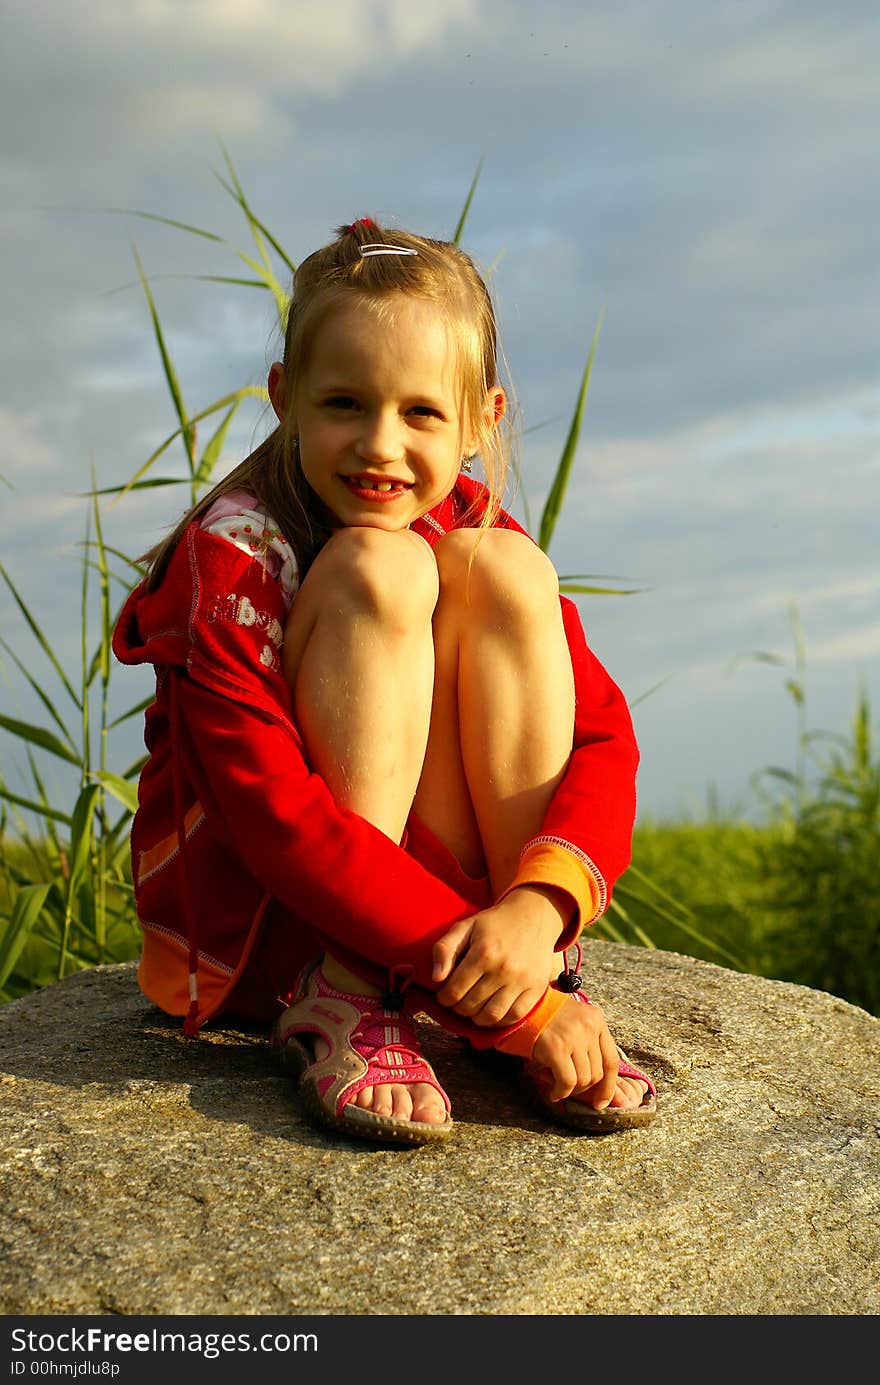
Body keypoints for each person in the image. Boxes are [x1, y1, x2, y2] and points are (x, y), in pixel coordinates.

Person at [113, 216, 656, 1146]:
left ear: (484, 419)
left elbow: (603, 735)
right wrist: (514, 1009)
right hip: (270, 925)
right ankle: (351, 992)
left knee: (509, 575)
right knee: (381, 569)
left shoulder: (473, 526)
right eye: (343, 404)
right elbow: (276, 824)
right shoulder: (233, 559)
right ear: (285, 397)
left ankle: (536, 967)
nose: (379, 445)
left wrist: (539, 912)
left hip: (461, 926)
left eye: (421, 412)